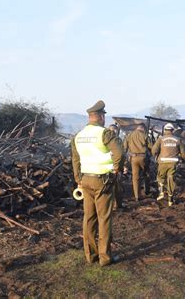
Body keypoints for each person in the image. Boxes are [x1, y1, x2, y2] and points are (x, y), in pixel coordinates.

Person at [71, 100, 124, 266]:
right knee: (104, 218)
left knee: (89, 218)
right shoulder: (105, 134)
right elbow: (120, 153)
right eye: (103, 117)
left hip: (85, 180)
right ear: (101, 117)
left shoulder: (78, 136)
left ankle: (90, 255)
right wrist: (117, 170)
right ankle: (105, 257)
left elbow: (75, 160)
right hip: (103, 181)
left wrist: (78, 179)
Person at [152, 123, 185, 206]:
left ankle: (161, 192)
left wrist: (155, 157)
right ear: (172, 130)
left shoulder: (161, 139)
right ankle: (170, 199)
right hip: (173, 162)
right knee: (170, 178)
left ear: (165, 130)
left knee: (160, 177)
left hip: (162, 161)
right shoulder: (178, 139)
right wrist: (184, 160)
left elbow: (154, 150)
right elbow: (183, 153)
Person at [123, 123, 152, 201]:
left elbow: (124, 148)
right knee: (146, 174)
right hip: (143, 158)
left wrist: (124, 161)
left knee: (135, 178)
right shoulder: (145, 135)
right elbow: (151, 147)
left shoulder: (129, 135)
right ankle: (147, 191)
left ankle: (136, 196)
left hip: (133, 158)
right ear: (143, 128)